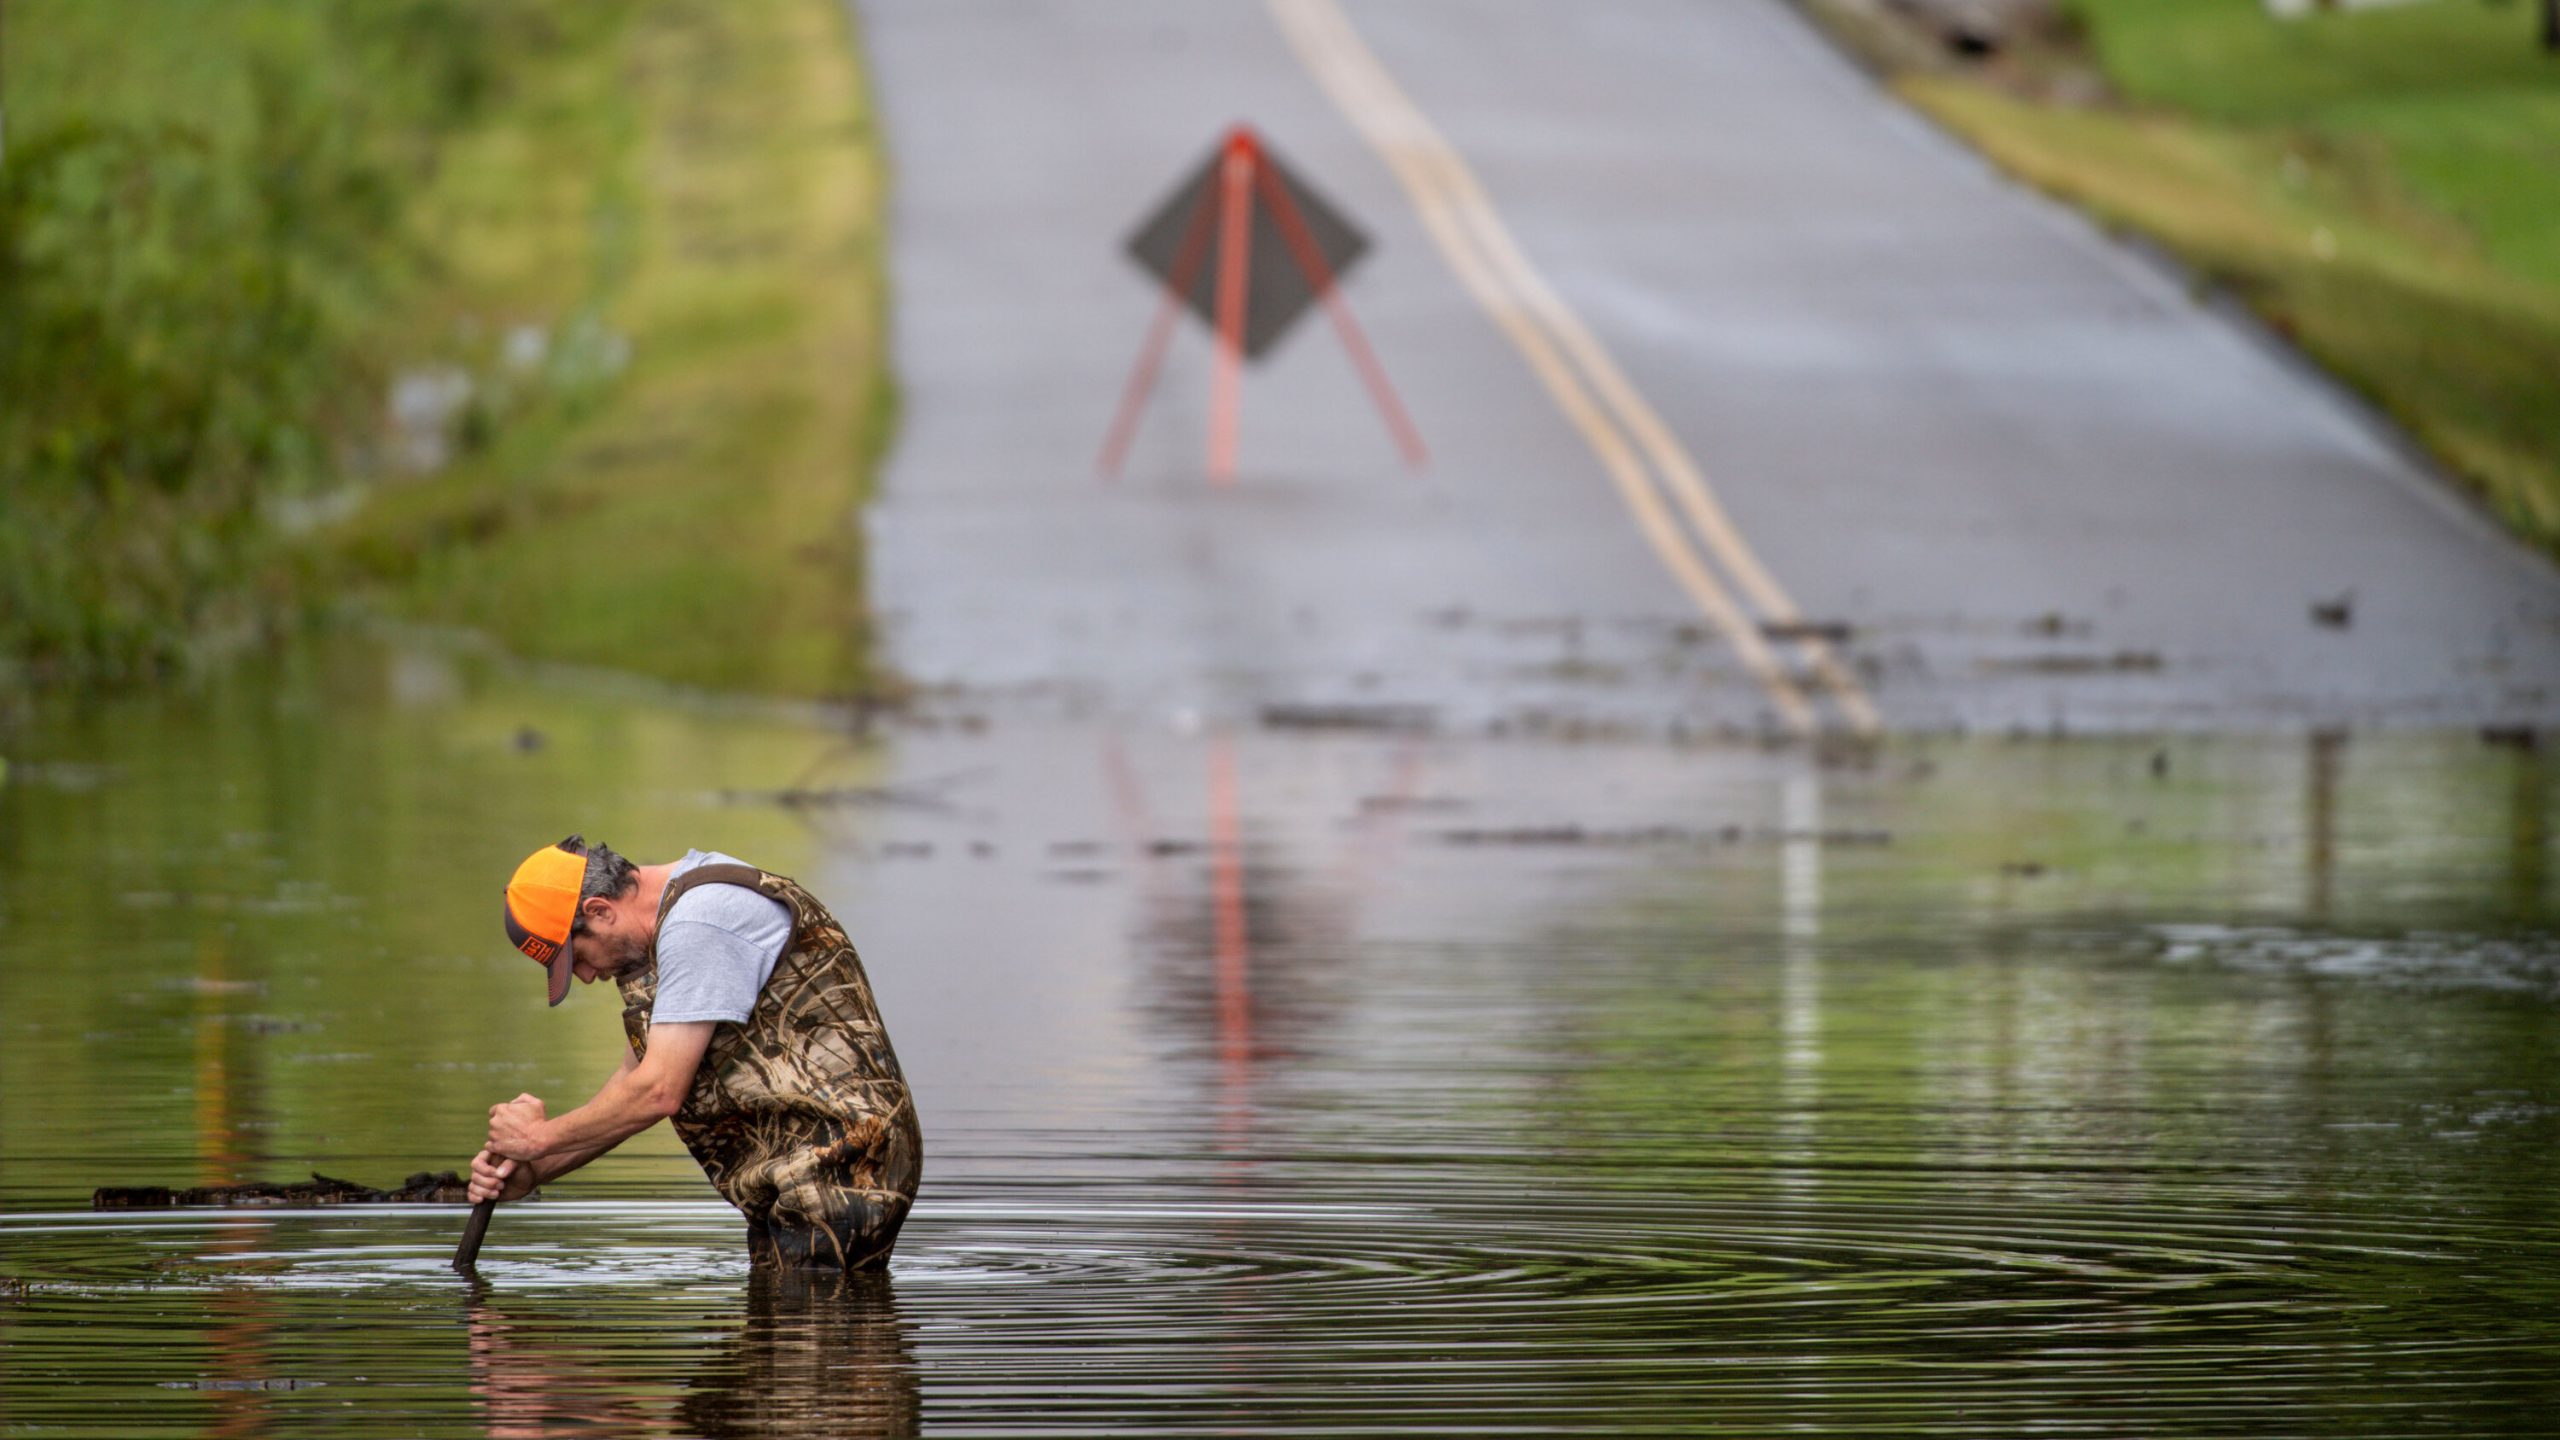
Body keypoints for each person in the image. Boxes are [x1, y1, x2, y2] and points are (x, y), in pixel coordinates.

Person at [469, 836, 921, 1268]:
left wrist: (537, 1138)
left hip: (843, 1166)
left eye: (577, 957)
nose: (586, 976)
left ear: (600, 910)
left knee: (810, 1328)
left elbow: (658, 1090)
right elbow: (632, 1085)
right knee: (789, 1329)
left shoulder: (698, 923)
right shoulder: (683, 919)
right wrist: (535, 1169)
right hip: (805, 1174)